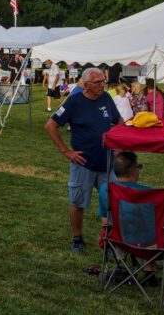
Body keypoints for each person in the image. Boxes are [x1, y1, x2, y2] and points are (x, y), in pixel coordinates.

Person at [99, 151, 164, 298]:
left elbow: (105, 221)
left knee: (142, 230)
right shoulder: (149, 193)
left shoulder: (106, 190)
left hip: (123, 241)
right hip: (154, 244)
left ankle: (150, 275)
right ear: (134, 170)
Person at [44, 66, 122, 254]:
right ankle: (77, 238)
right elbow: (50, 125)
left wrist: (119, 148)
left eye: (103, 81)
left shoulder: (106, 98)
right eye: (97, 82)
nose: (102, 85)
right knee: (78, 203)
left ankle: (110, 240)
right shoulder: (74, 102)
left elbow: (119, 122)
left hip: (107, 162)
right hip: (83, 163)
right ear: (86, 85)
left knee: (112, 203)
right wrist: (66, 151)